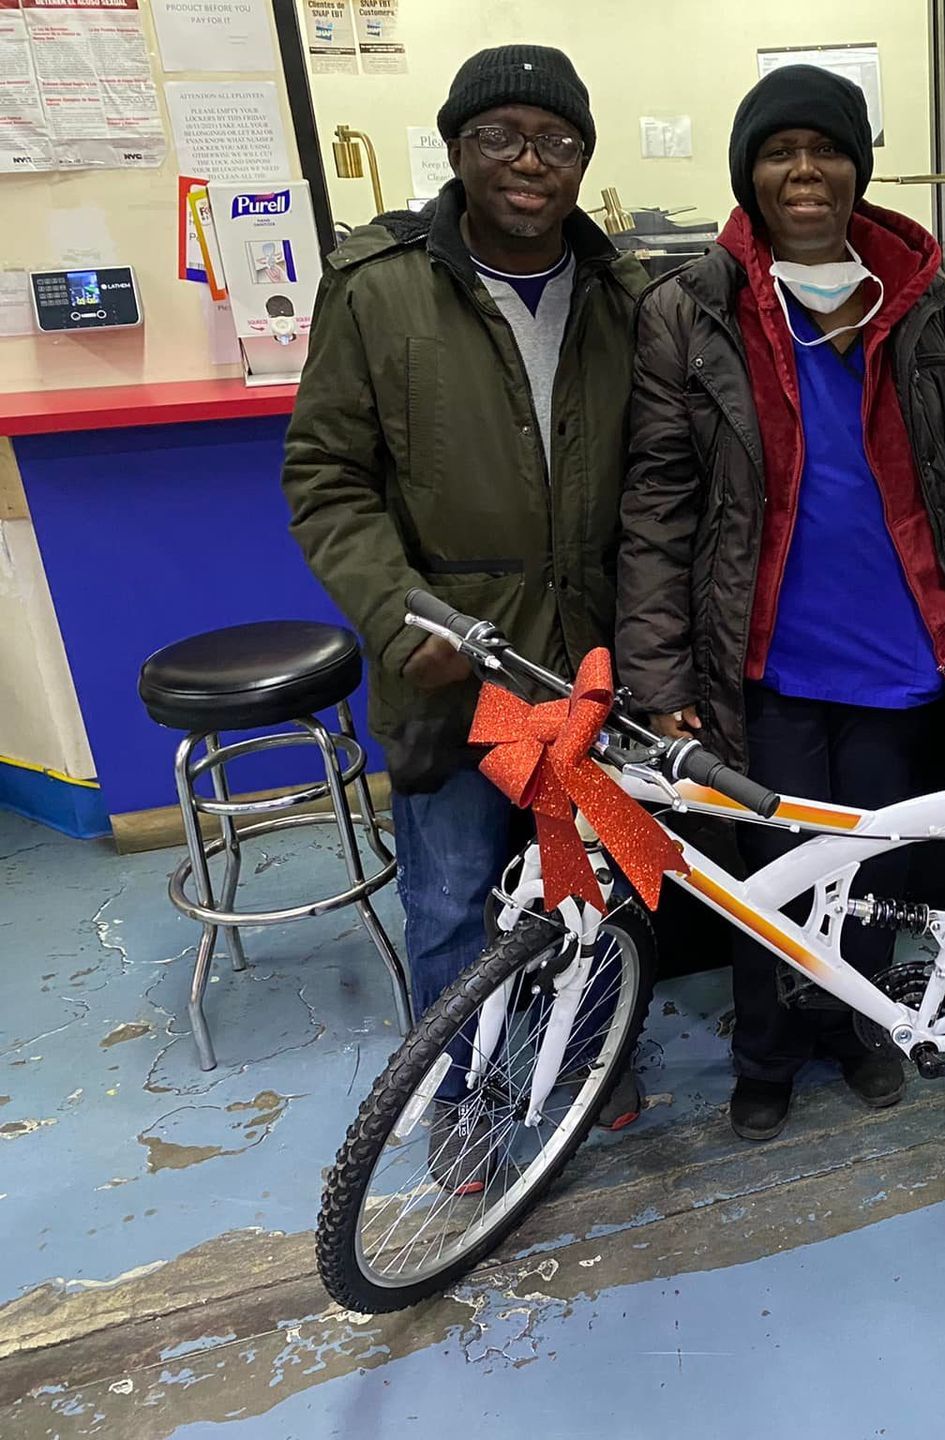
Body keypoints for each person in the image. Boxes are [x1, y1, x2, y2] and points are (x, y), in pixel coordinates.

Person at [618, 66, 945, 1143]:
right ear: (747, 173)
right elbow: (658, 504)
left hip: (900, 651)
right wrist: (658, 673)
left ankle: (859, 1027)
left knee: (878, 868)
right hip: (766, 660)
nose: (805, 170)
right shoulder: (691, 308)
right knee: (775, 874)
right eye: (779, 151)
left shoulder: (919, 300)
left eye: (828, 149)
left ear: (858, 169)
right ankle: (767, 1051)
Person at [282, 45, 653, 1162]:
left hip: (592, 665)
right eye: (500, 136)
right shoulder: (379, 288)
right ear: (456, 148)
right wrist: (399, 618)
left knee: (601, 880)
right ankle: (466, 1103)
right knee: (452, 901)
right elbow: (326, 477)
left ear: (582, 159)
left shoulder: (628, 296)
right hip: (454, 668)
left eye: (557, 141)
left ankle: (589, 1060)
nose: (529, 162)